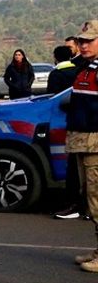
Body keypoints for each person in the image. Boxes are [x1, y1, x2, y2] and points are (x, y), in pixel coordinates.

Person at [66, 19, 98, 272]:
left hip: (95, 143)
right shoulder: (87, 68)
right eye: (82, 41)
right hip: (83, 142)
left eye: (89, 41)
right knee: (91, 200)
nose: (83, 45)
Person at [49, 45, 87, 220]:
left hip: (86, 132)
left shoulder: (83, 70)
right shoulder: (81, 70)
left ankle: (79, 206)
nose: (83, 46)